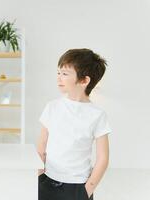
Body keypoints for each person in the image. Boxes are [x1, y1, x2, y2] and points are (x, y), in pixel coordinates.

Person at [37, 48, 111, 200]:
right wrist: (40, 176)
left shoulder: (97, 115)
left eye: (64, 74)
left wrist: (87, 190)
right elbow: (42, 145)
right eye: (58, 73)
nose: (59, 78)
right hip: (48, 182)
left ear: (84, 80)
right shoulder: (52, 107)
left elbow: (103, 157)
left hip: (78, 187)